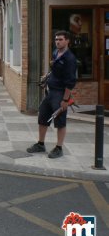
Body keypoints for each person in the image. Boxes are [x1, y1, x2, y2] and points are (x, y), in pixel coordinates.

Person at [27, 31, 77, 159]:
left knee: (60, 121)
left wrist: (65, 100)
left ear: (67, 41)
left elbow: (70, 83)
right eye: (56, 39)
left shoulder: (70, 59)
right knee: (42, 117)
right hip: (50, 91)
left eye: (60, 39)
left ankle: (59, 148)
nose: (57, 41)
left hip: (60, 94)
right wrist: (47, 77)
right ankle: (40, 144)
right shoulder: (56, 52)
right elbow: (54, 69)